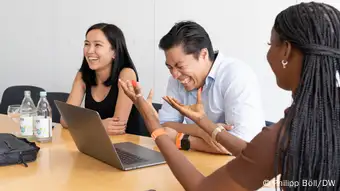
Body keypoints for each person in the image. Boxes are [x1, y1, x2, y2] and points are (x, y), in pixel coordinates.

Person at [119, 2, 340, 190]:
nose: (268, 53)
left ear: (286, 51)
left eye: (270, 44)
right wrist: (203, 123)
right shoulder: (317, 123)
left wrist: (153, 124)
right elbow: (253, 154)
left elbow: (201, 188)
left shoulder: (284, 135)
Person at [157, 21, 265, 154]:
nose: (174, 74)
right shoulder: (177, 79)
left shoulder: (236, 75)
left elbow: (242, 144)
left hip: (241, 168)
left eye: (180, 66)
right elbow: (163, 127)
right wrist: (202, 130)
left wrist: (182, 139)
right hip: (199, 161)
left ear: (203, 55)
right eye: (169, 67)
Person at [60, 23, 142, 136]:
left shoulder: (126, 74)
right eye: (87, 44)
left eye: (97, 45)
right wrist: (100, 125)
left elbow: (118, 127)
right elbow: (65, 119)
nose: (89, 51)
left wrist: (83, 124)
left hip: (127, 145)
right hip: (97, 141)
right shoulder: (82, 75)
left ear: (114, 52)